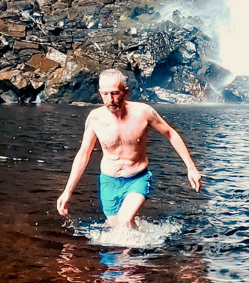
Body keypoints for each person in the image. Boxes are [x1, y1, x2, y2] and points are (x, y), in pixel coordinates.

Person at [57, 68, 202, 228]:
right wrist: (67, 192)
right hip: (109, 181)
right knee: (116, 231)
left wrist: (191, 168)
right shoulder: (95, 118)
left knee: (126, 220)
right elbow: (84, 154)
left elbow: (171, 134)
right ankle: (136, 250)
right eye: (104, 94)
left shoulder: (143, 112)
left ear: (125, 91)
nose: (109, 99)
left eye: (114, 93)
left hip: (137, 178)